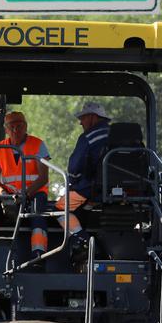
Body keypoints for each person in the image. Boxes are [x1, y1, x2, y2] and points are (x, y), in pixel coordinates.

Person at [0, 111, 51, 256]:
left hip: (34, 193)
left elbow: (43, 177)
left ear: (25, 126)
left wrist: (25, 194)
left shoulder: (38, 144)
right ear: (5, 129)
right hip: (8, 194)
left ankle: (39, 253)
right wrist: (3, 194)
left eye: (19, 126)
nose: (15, 130)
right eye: (11, 126)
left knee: (38, 212)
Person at [57, 101, 111, 263]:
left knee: (61, 208)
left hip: (92, 188)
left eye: (83, 118)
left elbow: (74, 167)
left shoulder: (88, 137)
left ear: (93, 117)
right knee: (84, 207)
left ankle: (84, 242)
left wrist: (73, 182)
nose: (80, 122)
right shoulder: (119, 135)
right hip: (124, 190)